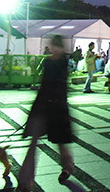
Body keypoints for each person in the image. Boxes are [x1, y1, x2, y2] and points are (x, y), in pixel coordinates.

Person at [17, 35, 74, 191]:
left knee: (60, 142)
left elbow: (62, 86)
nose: (54, 49)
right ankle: (25, 181)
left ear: (62, 48)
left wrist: (55, 100)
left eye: (57, 46)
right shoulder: (48, 61)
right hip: (42, 106)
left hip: (58, 108)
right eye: (52, 46)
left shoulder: (63, 63)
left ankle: (68, 165)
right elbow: (43, 83)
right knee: (33, 142)